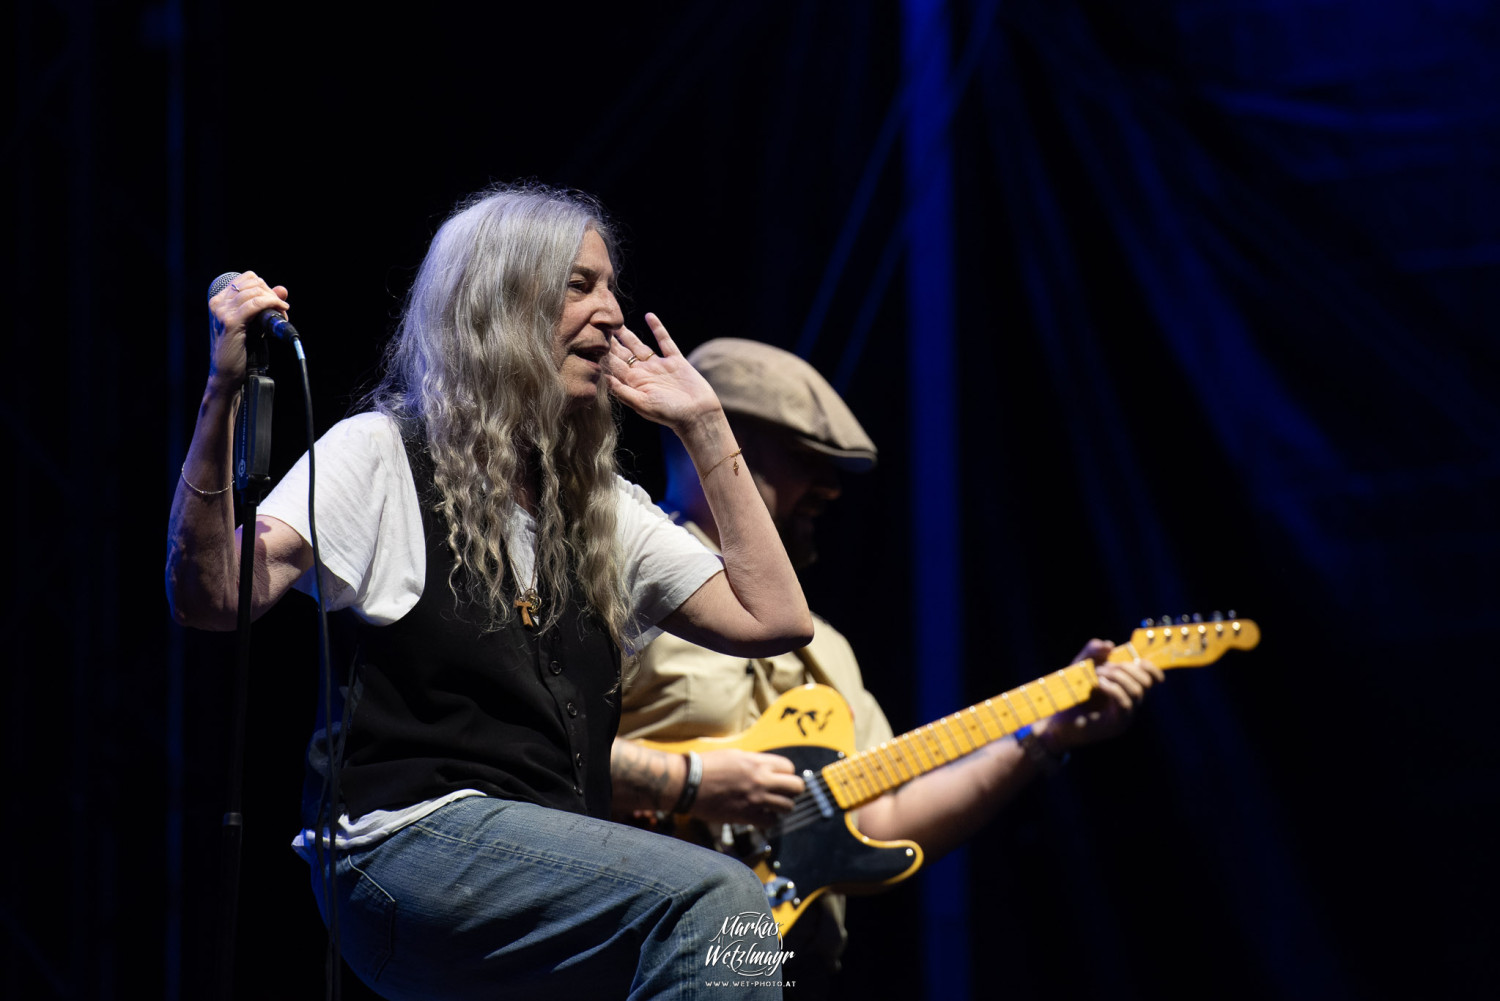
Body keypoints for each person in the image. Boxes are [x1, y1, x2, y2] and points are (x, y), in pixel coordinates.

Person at [164, 185, 815, 1000]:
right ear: (499, 305)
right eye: (580, 285)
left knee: (737, 947)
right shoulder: (380, 454)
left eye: (612, 286)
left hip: (542, 866)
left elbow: (777, 617)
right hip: (403, 850)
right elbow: (213, 594)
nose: (613, 313)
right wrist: (221, 396)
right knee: (728, 905)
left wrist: (705, 424)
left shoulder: (602, 506)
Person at [609, 338, 1164, 993]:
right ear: (725, 448)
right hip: (641, 949)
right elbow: (543, 755)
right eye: (804, 458)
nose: (830, 488)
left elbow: (880, 817)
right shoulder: (626, 577)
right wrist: (682, 781)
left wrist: (1042, 739)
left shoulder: (826, 649)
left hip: (778, 968)